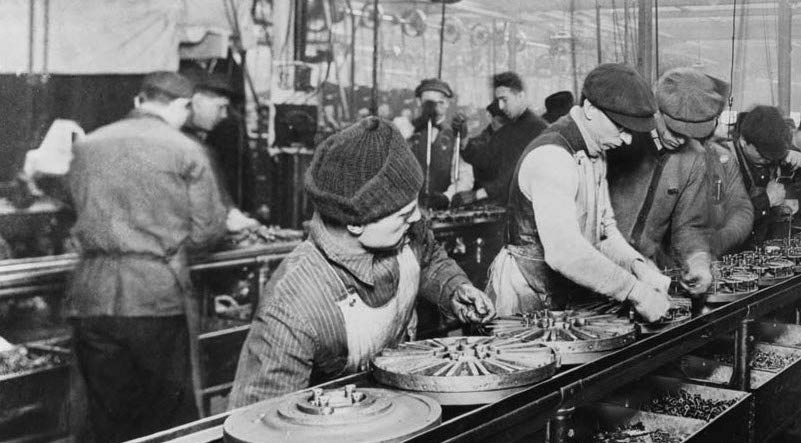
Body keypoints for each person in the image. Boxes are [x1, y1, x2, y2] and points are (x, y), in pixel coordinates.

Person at [229, 117, 494, 408]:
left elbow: (427, 257)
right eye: (404, 215)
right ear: (356, 224)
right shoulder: (294, 304)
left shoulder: (405, 231)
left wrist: (455, 289)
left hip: (401, 408)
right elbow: (259, 420)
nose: (417, 218)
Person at [66, 72, 227, 442]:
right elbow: (207, 230)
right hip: (154, 298)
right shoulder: (186, 150)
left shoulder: (89, 144)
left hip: (90, 295)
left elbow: (73, 206)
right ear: (183, 106)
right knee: (165, 419)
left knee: (106, 417)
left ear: (141, 101)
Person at [486, 63, 678, 322]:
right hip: (526, 295)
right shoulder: (552, 156)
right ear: (589, 109)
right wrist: (635, 291)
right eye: (621, 126)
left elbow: (604, 231)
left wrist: (639, 268)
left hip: (561, 293)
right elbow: (564, 253)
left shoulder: (596, 150)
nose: (628, 138)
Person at [609, 67, 724, 296]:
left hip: (646, 273)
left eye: (689, 133)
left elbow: (688, 226)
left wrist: (698, 260)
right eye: (673, 129)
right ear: (656, 111)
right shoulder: (618, 142)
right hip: (601, 266)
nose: (679, 139)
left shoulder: (695, 157)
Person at [182, 72, 261, 232]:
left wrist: (233, 214)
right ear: (197, 102)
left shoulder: (200, 143)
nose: (224, 115)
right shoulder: (183, 145)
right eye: (220, 107)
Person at [457, 72, 548, 207]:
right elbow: (485, 157)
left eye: (504, 100)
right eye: (498, 100)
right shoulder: (508, 128)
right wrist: (464, 138)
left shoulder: (537, 129)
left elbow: (514, 176)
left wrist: (477, 194)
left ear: (520, 96)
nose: (500, 106)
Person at [732, 105, 800, 246]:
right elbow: (723, 219)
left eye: (773, 155)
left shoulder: (772, 156)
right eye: (763, 154)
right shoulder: (724, 161)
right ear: (744, 141)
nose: (768, 160)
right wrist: (767, 200)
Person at [408, 78, 474, 209]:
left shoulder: (456, 135)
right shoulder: (408, 132)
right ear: (418, 102)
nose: (435, 107)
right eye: (429, 102)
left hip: (441, 208)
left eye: (440, 102)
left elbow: (465, 176)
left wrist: (448, 196)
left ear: (447, 103)